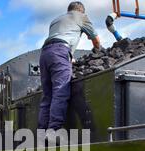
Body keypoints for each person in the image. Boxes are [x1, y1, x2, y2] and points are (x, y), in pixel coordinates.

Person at [38, 2, 101, 133]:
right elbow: (96, 40)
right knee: (60, 92)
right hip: (60, 52)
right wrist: (98, 51)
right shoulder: (82, 17)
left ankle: (41, 134)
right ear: (81, 11)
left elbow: (59, 39)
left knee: (47, 96)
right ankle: (53, 131)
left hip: (45, 54)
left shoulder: (56, 20)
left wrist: (69, 57)